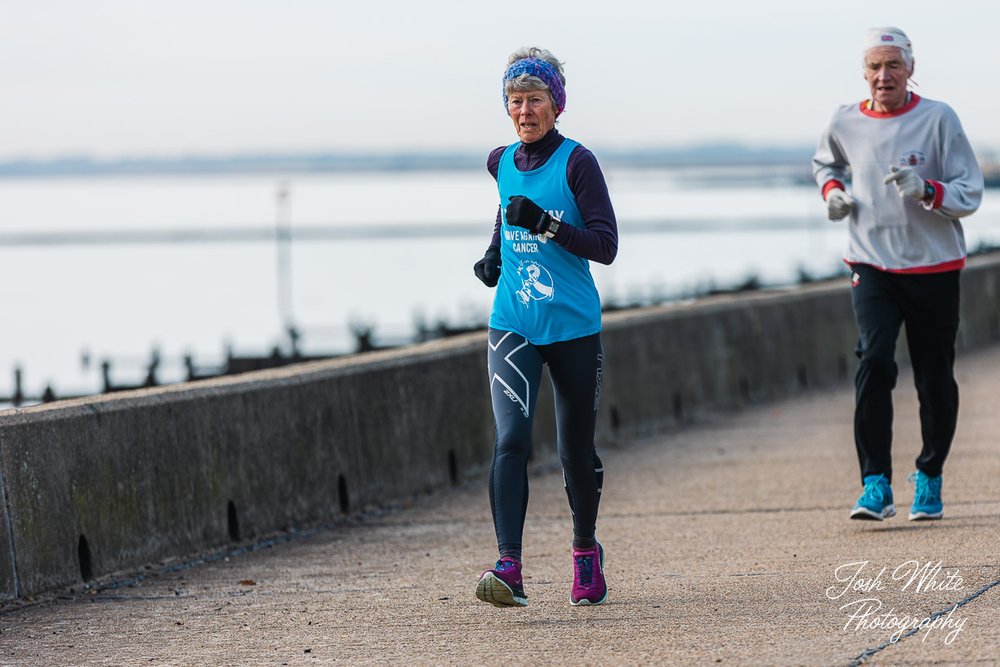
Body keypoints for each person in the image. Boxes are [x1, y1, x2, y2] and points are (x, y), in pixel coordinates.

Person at [812, 27, 983, 522]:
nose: (883, 76)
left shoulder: (938, 119)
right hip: (871, 263)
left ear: (911, 68)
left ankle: (929, 475)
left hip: (934, 266)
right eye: (874, 66)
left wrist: (928, 189)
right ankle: (875, 484)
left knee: (934, 379)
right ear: (863, 72)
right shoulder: (844, 121)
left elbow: (970, 190)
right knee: (875, 361)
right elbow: (826, 165)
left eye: (893, 65)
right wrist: (834, 195)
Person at [471, 46, 618, 607]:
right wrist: (493, 256)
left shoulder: (578, 163)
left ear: (556, 104)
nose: (524, 110)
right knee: (510, 439)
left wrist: (551, 226)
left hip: (573, 327)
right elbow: (507, 215)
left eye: (535, 99)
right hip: (513, 324)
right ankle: (509, 566)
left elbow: (605, 245)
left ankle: (585, 552)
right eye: (515, 100)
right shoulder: (500, 160)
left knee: (575, 452)